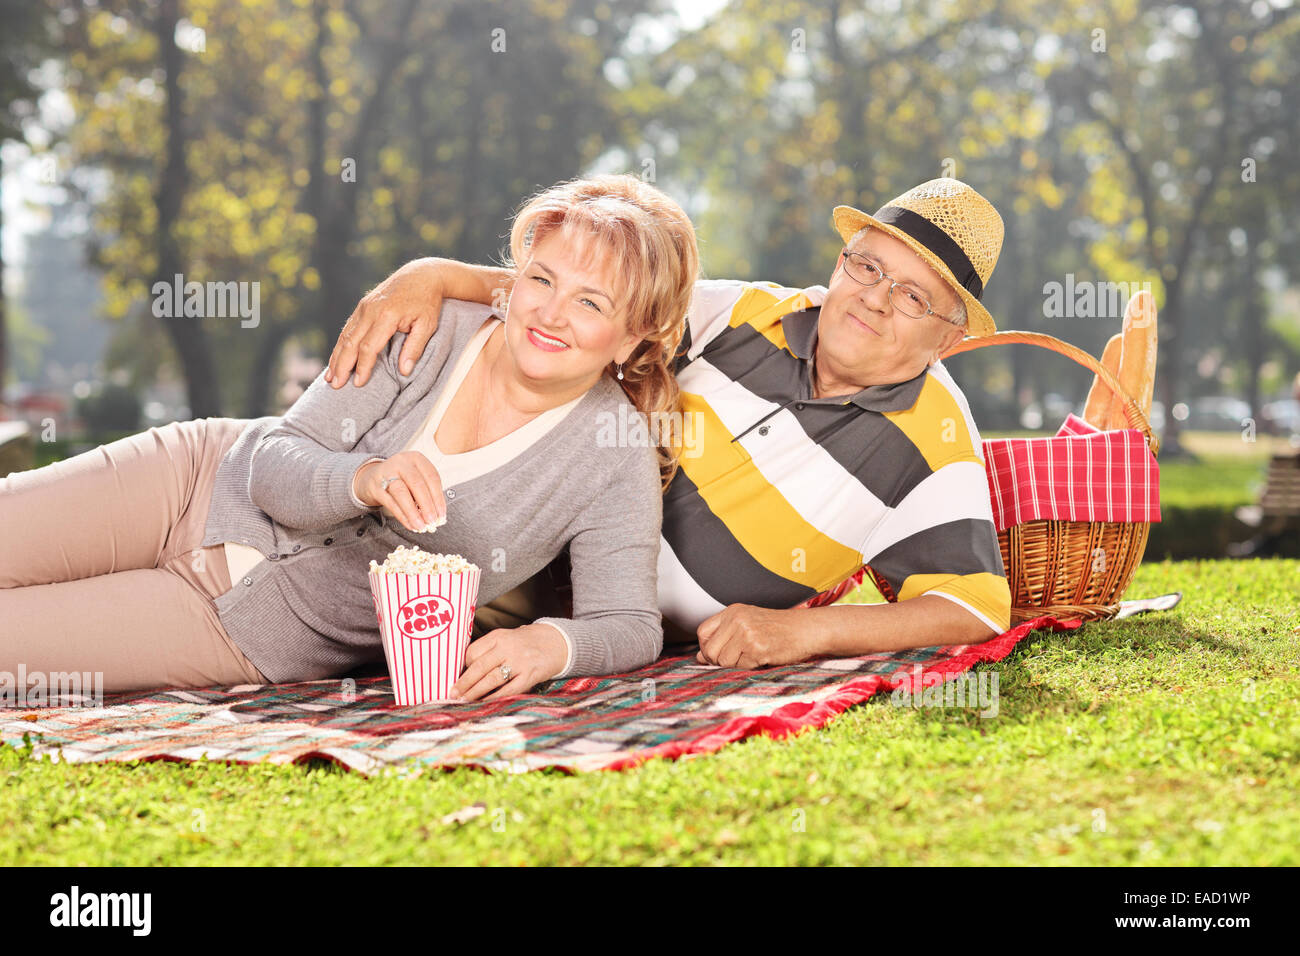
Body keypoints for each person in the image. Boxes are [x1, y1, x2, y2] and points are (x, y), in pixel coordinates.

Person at [0, 174, 699, 701]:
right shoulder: (433, 325)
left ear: (634, 336)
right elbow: (276, 460)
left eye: (591, 301)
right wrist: (361, 479)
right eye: (541, 279)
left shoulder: (612, 456)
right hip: (190, 479)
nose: (550, 312)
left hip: (238, 630)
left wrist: (553, 643)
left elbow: (628, 622)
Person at [324, 177, 1014, 668]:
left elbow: (975, 610)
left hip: (598, 624)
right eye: (866, 265)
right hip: (509, 534)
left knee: (357, 623)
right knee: (318, 559)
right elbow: (593, 304)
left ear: (949, 336)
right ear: (840, 262)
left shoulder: (934, 436)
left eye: (914, 295)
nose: (875, 299)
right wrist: (437, 274)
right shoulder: (748, 314)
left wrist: (799, 635)